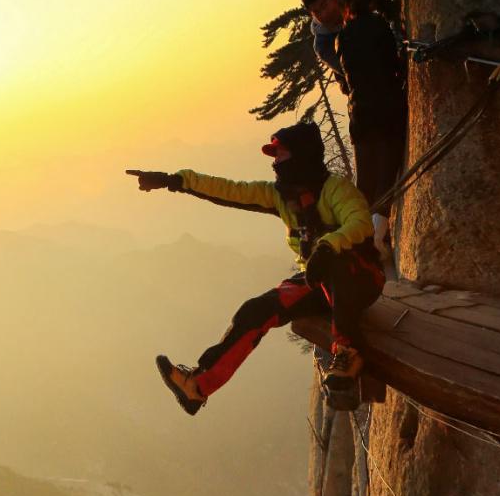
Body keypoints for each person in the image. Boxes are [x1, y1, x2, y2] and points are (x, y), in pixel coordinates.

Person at [129, 120, 384, 416]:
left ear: (300, 155)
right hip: (317, 282)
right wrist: (175, 181)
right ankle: (198, 386)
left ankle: (348, 354)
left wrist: (328, 246)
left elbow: (360, 223)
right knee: (255, 310)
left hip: (360, 279)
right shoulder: (281, 196)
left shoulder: (335, 189)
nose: (275, 163)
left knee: (339, 263)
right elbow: (230, 190)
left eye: (280, 154)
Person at [335, 0, 407, 247]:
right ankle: (377, 239)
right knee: (386, 176)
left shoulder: (342, 36)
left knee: (365, 181)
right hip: (388, 108)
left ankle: (360, 241)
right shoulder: (379, 26)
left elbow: (347, 79)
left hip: (361, 114)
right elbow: (392, 62)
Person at [301, 0, 345, 78]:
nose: (324, 14)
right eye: (316, 12)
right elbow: (352, 73)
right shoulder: (323, 45)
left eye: (324, 5)